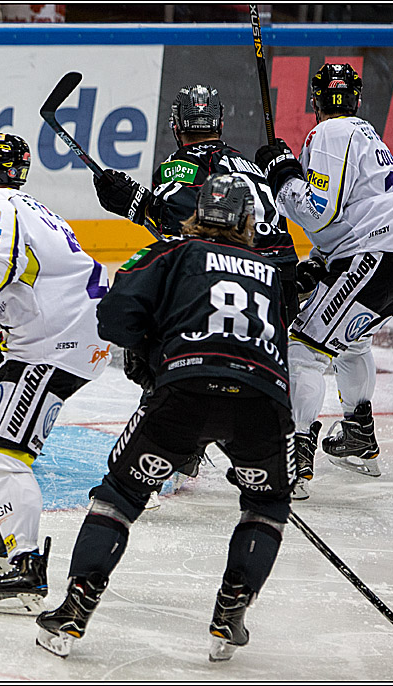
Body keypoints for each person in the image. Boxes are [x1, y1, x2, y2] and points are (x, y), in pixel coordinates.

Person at [35, 173, 293, 662]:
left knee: (123, 493)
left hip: (184, 393)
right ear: (246, 221)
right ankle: (229, 613)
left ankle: (74, 611)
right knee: (266, 504)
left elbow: (113, 315)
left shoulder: (172, 251)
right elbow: (277, 343)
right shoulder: (272, 272)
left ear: (199, 213)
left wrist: (152, 350)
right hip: (262, 403)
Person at [0, 132, 112, 614]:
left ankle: (27, 568)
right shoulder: (29, 208)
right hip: (54, 336)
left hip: (58, 345)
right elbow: (21, 280)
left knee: (4, 451)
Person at [91, 83, 299, 491]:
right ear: (220, 122)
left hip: (227, 274)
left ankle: (173, 445)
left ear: (176, 127)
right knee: (253, 359)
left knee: (169, 347)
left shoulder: (178, 165)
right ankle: (276, 451)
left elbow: (188, 235)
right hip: (280, 279)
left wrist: (135, 203)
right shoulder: (244, 162)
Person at [254, 63, 393, 494]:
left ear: (315, 101)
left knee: (304, 348)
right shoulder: (369, 136)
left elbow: (318, 212)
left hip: (377, 254)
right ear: (356, 98)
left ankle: (292, 462)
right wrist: (320, 261)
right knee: (352, 341)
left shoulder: (330, 133)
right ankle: (358, 437)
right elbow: (348, 219)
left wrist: (282, 175)